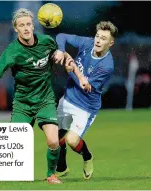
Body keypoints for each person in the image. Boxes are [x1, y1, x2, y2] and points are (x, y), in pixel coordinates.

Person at [0, 8, 63, 184]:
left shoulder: (47, 42)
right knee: (14, 143)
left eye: (28, 24)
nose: (26, 28)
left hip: (45, 100)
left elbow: (57, 54)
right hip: (22, 103)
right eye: (21, 25)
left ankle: (51, 174)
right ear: (16, 29)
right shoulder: (12, 51)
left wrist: (59, 54)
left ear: (33, 26)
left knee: (53, 141)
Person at [53, 21, 118, 179]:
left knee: (71, 140)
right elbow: (61, 36)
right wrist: (62, 51)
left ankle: (87, 157)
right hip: (68, 98)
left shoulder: (107, 66)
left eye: (103, 38)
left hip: (85, 107)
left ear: (111, 43)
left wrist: (71, 69)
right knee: (56, 136)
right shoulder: (87, 43)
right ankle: (62, 167)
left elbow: (85, 86)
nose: (97, 40)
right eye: (97, 36)